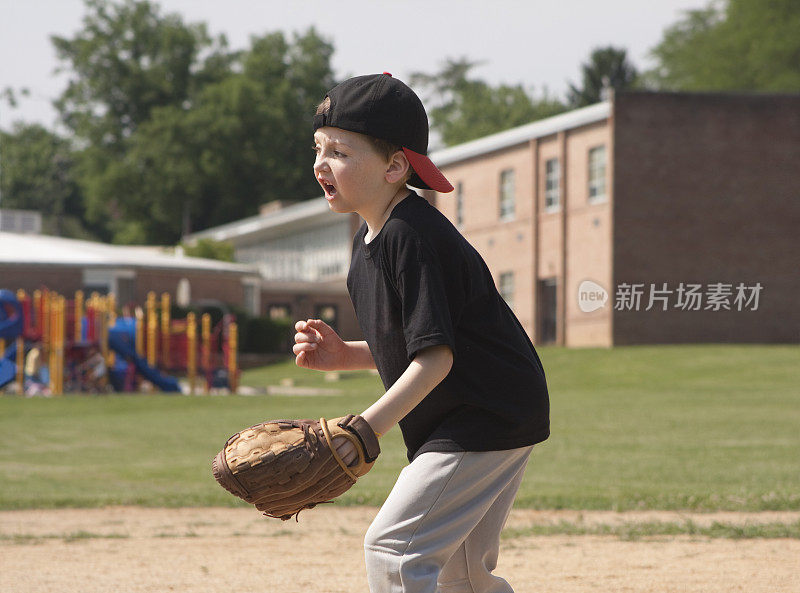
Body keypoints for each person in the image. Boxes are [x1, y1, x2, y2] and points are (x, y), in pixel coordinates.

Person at [294, 73, 550, 593]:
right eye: (319, 148)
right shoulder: (370, 247)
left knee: (394, 549)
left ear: (395, 167)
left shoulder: (411, 236)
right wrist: (345, 357)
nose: (322, 164)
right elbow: (419, 344)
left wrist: (365, 430)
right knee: (463, 573)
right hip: (489, 408)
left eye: (341, 151)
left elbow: (436, 360)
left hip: (482, 415)